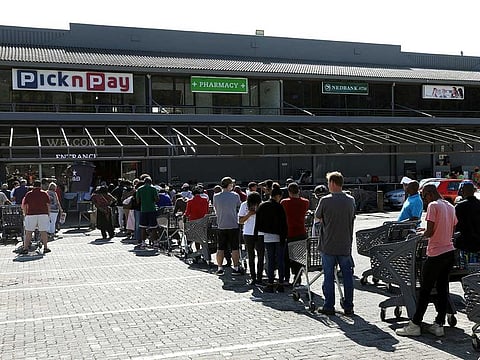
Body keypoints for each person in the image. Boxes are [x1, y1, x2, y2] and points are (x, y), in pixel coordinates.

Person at [396, 184, 457, 337]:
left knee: (425, 290)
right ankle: (439, 324)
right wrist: (431, 232)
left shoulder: (433, 206)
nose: (423, 200)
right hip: (449, 252)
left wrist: (421, 235)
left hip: (436, 254)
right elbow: (451, 228)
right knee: (443, 289)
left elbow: (430, 232)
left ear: (429, 194)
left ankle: (415, 324)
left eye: (424, 196)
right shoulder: (449, 206)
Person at [315, 171, 356, 316]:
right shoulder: (350, 200)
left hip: (328, 245)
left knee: (328, 276)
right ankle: (349, 306)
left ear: (332, 183)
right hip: (345, 244)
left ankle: (329, 306)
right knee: (347, 276)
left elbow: (317, 216)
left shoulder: (325, 200)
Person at [254, 183, 288, 293]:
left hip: (267, 236)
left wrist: (256, 235)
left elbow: (257, 222)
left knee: (270, 259)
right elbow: (284, 223)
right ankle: (281, 283)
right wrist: (284, 236)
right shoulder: (279, 207)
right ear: (278, 196)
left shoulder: (262, 206)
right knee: (280, 260)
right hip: (279, 236)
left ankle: (270, 282)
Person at [281, 182, 310, 285]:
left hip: (288, 232)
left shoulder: (284, 202)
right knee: (298, 257)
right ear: (299, 191)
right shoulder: (305, 202)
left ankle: (286, 278)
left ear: (289, 192)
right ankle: (297, 278)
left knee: (286, 257)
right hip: (301, 232)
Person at [213, 176, 243, 276]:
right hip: (233, 224)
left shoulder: (216, 196)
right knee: (235, 248)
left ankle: (220, 268)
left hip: (221, 224)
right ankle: (236, 268)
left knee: (220, 248)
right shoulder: (235, 196)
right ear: (230, 185)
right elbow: (238, 208)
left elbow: (216, 209)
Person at [238, 191, 264, 285]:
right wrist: (249, 214)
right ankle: (253, 277)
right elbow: (240, 221)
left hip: (260, 233)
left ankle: (259, 277)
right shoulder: (244, 205)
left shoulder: (262, 205)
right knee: (251, 255)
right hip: (248, 232)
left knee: (261, 256)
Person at [21, 180, 51, 254]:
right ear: (40, 186)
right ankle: (46, 247)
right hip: (43, 214)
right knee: (43, 231)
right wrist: (48, 214)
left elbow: (25, 205)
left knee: (29, 232)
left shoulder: (29, 194)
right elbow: (48, 205)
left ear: (33, 186)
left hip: (31, 214)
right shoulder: (44, 194)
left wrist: (25, 213)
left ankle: (25, 248)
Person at [454, 182, 480, 252]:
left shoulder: (459, 206)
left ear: (462, 191)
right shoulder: (478, 204)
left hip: (463, 243)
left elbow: (454, 225)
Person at [136, 176, 159, 247]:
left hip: (143, 210)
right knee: (154, 227)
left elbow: (137, 200)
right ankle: (155, 241)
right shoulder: (153, 189)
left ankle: (143, 242)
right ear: (151, 182)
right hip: (152, 209)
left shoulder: (139, 189)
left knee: (143, 227)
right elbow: (157, 199)